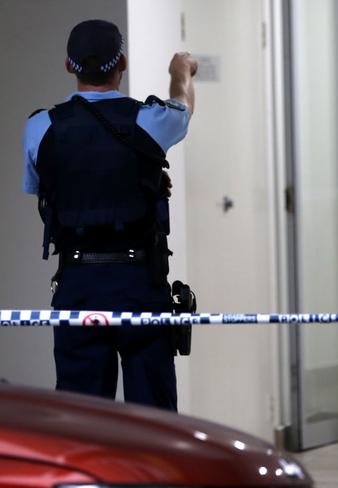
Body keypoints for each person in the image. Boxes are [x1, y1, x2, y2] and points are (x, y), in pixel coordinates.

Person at [22, 19, 198, 411]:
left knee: (82, 418)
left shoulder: (40, 127)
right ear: (124, 63)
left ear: (69, 67)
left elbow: (48, 190)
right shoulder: (149, 121)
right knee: (152, 415)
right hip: (139, 284)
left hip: (77, 284)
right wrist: (180, 72)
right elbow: (183, 107)